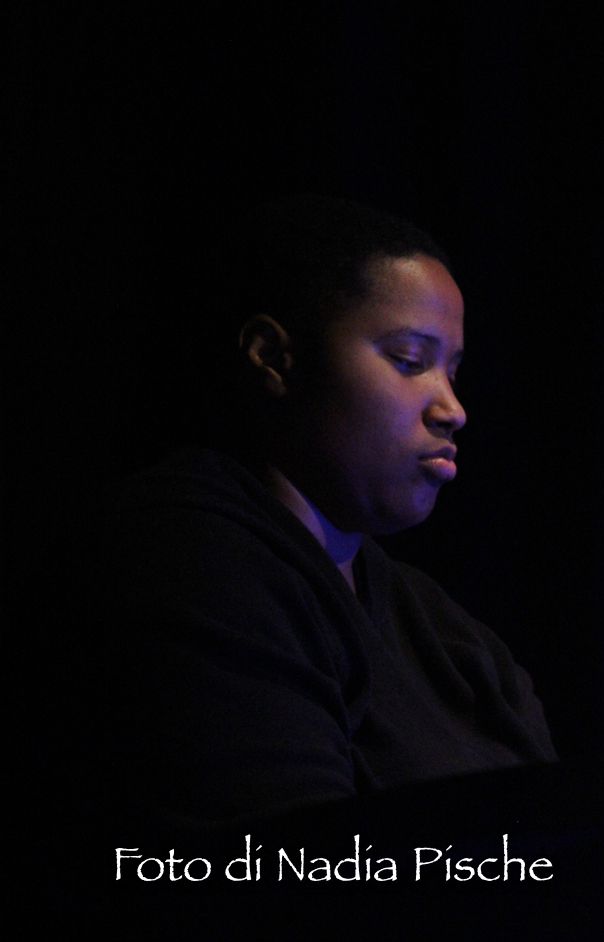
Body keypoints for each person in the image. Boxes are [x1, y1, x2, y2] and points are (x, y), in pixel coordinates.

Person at [92, 193, 556, 830]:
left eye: (452, 371)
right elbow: (297, 861)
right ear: (273, 356)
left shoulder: (453, 639)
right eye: (409, 361)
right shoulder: (192, 557)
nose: (451, 409)